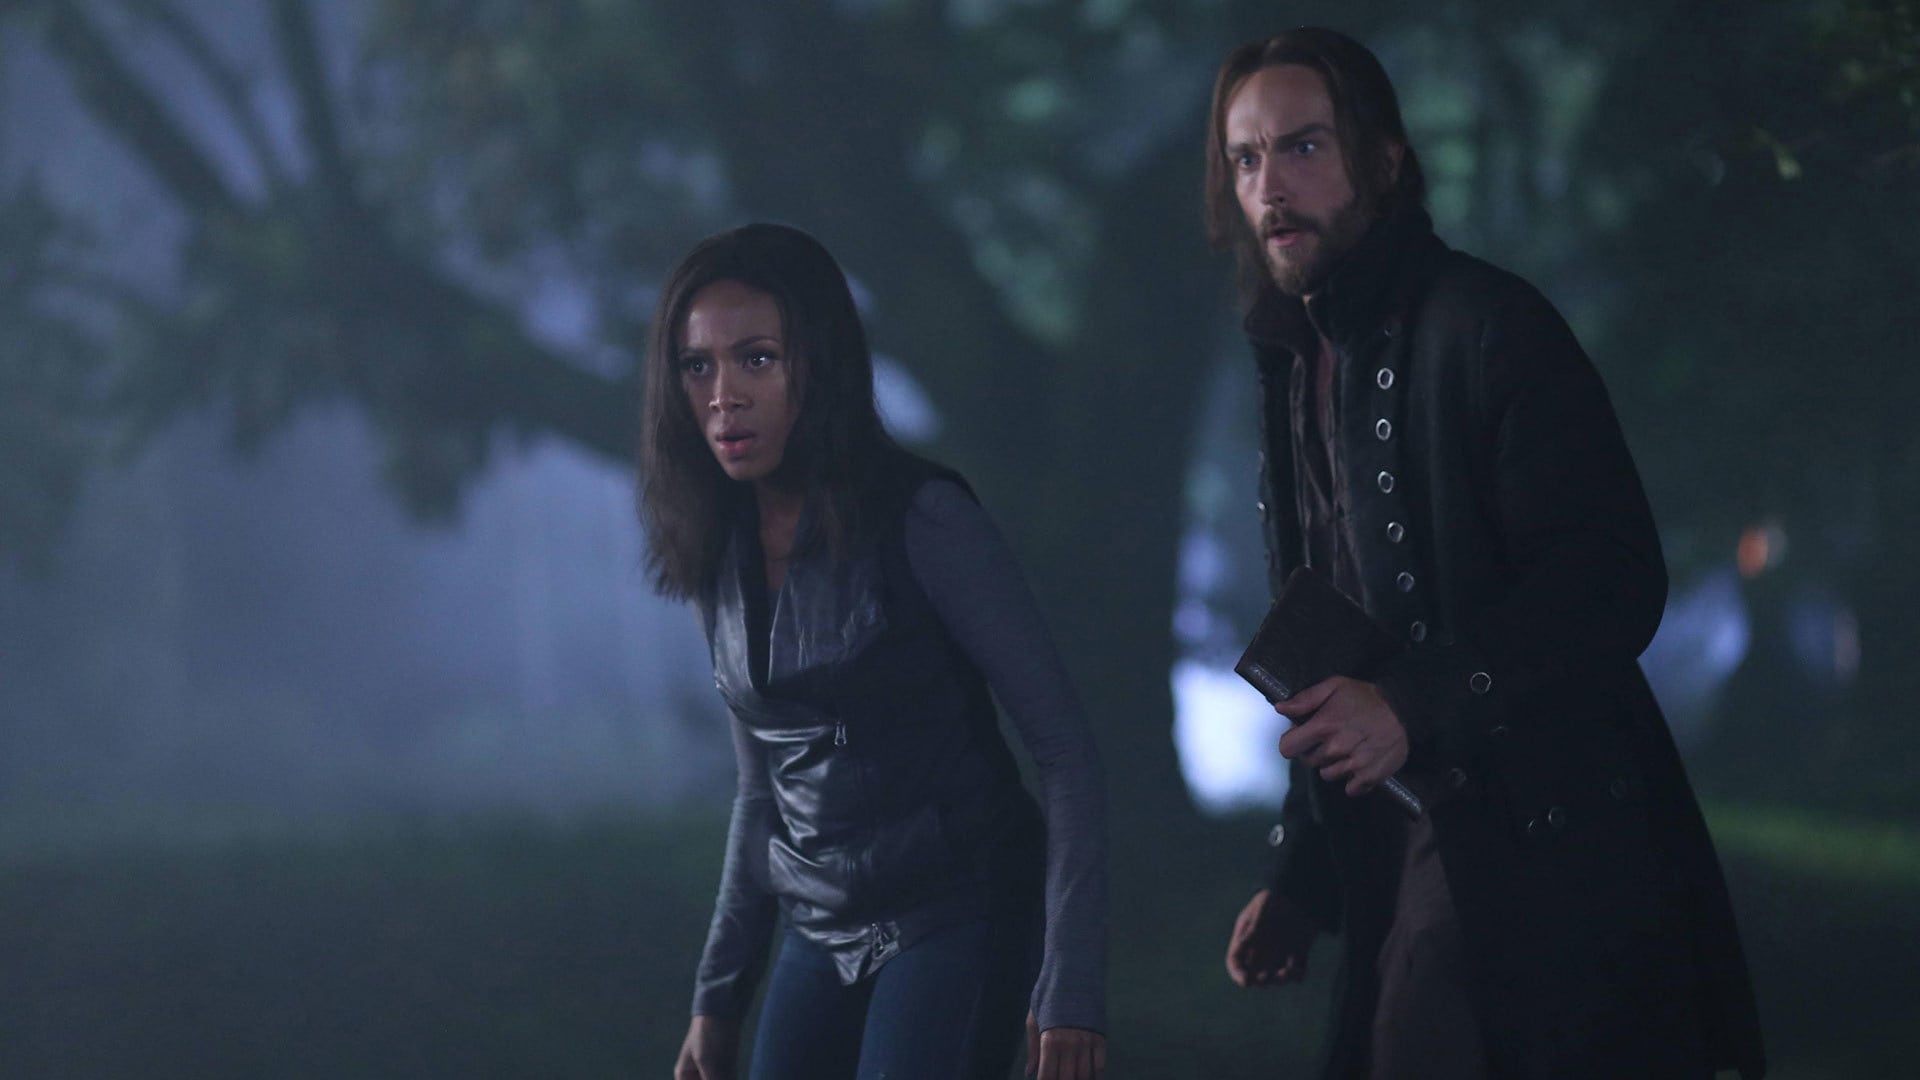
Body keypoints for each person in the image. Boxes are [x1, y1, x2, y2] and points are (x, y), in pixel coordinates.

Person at [1205, 28, 1766, 1080]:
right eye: (1246, 158)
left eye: (1304, 146)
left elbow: (1611, 578)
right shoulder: (1290, 365)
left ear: (1383, 161)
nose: (1270, 185)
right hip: (1403, 831)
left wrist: (1413, 702)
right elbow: (1330, 636)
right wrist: (1304, 873)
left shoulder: (1489, 325)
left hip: (1538, 822)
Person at [640, 224, 1107, 1080]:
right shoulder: (721, 551)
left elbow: (1065, 751)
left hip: (959, 904)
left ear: (817, 363)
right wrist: (717, 999)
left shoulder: (924, 516)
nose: (723, 397)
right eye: (697, 366)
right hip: (818, 922)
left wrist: (1070, 984)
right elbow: (762, 787)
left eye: (757, 359)